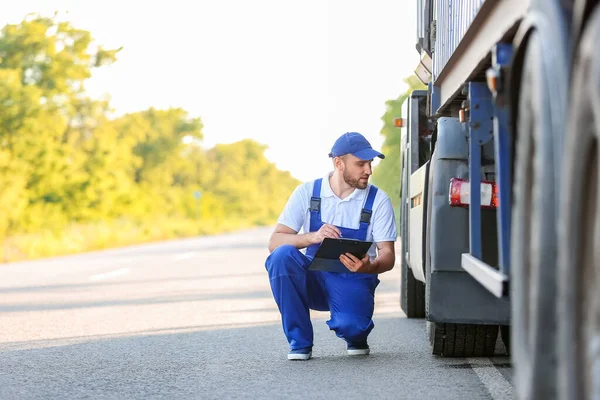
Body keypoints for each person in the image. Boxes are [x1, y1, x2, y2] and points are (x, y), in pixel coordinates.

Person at [265, 132, 397, 361]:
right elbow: (275, 242)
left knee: (353, 327)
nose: (369, 170)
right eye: (360, 164)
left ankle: (355, 334)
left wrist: (369, 266)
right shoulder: (307, 192)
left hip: (353, 278)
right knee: (282, 256)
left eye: (370, 163)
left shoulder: (378, 200)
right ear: (339, 163)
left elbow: (388, 256)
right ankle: (300, 342)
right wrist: (312, 237)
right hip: (313, 279)